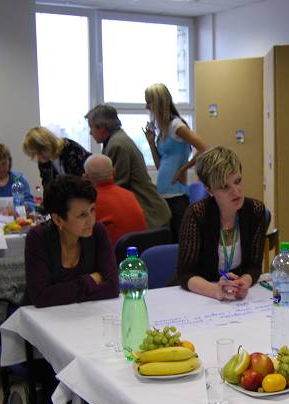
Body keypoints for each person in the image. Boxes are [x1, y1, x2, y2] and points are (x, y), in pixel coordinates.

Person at [177, 146, 266, 301]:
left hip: (237, 298)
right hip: (201, 296)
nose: (236, 192)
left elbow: (254, 266)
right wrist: (215, 291)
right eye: (225, 187)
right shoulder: (197, 214)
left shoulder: (255, 211)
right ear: (209, 190)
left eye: (237, 181)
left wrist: (244, 282)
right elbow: (185, 274)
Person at [24, 174, 118, 308]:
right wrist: (91, 280)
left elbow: (113, 287)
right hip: (40, 317)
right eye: (82, 215)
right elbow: (41, 297)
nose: (91, 220)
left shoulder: (98, 231)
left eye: (92, 210)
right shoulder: (38, 238)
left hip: (86, 314)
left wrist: (62, 292)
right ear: (58, 220)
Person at [85, 104, 171, 229]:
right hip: (151, 211)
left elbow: (115, 185)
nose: (90, 133)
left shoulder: (117, 145)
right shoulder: (117, 139)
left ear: (102, 127)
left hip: (150, 213)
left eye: (91, 127)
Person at [143, 83, 208, 242]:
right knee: (167, 242)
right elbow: (160, 166)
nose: (147, 107)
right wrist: (151, 143)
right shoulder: (163, 129)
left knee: (180, 243)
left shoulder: (176, 125)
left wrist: (182, 170)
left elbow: (204, 148)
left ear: (158, 102)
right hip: (164, 196)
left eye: (149, 102)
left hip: (177, 197)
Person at [83, 154, 147, 245]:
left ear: (86, 177)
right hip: (140, 250)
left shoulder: (90, 202)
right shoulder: (130, 195)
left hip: (113, 252)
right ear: (114, 172)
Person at [22, 126, 91, 188]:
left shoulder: (70, 148)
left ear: (47, 144)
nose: (39, 157)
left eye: (40, 152)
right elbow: (47, 186)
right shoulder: (44, 161)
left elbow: (77, 180)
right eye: (35, 154)